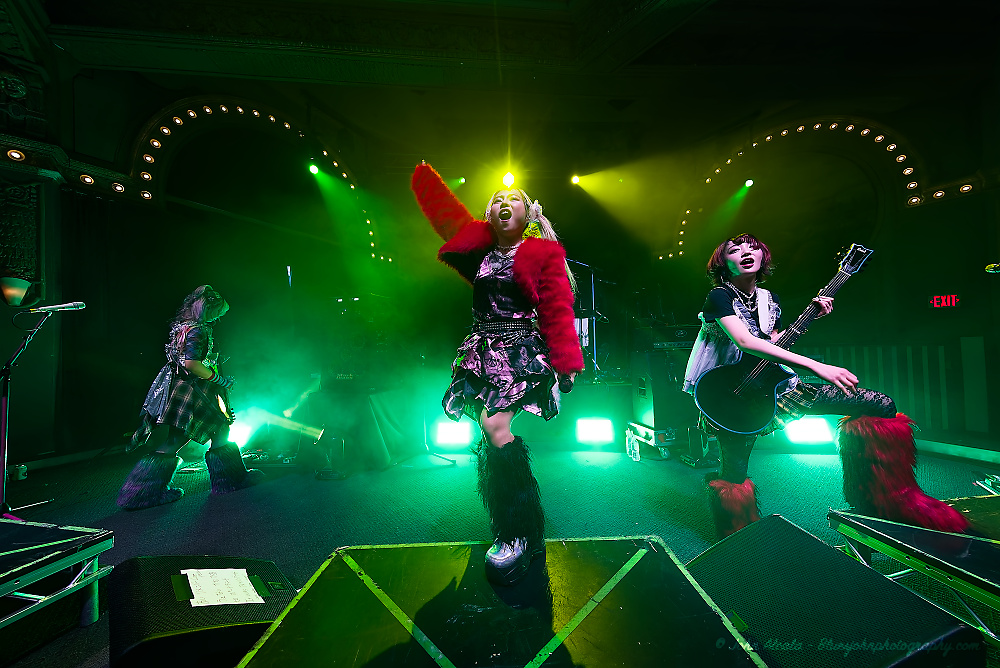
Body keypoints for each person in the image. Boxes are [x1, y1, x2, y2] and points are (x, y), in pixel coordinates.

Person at [682, 233, 967, 538]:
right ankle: (735, 538)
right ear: (723, 264)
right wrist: (818, 366)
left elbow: (773, 343)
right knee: (734, 476)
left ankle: (883, 498)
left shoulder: (769, 299)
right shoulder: (719, 296)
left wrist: (810, 316)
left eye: (752, 248)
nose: (745, 253)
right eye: (734, 250)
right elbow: (745, 342)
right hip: (729, 394)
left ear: (764, 257)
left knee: (879, 404)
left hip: (773, 386)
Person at [411, 163, 583, 585]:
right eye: (497, 201)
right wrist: (426, 180)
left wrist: (565, 363)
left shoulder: (543, 255)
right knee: (487, 434)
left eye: (514, 200)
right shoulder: (481, 254)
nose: (505, 203)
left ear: (529, 214)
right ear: (488, 215)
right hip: (482, 349)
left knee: (495, 427)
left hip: (521, 351)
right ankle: (518, 524)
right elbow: (448, 221)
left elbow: (559, 309)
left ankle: (518, 532)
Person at [117, 285, 263, 510]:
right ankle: (229, 481)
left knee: (181, 438)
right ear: (209, 309)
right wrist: (219, 380)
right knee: (217, 430)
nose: (221, 316)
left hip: (181, 388)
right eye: (219, 311)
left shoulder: (182, 326)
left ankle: (140, 493)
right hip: (194, 390)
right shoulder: (198, 330)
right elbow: (191, 363)